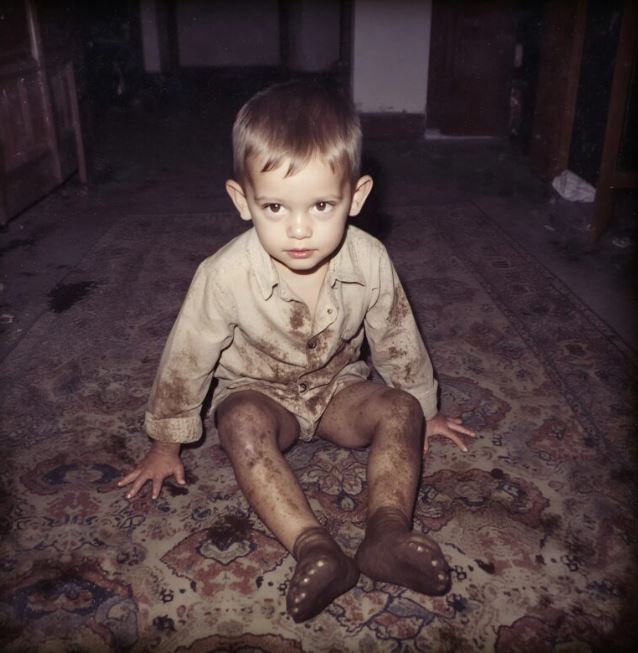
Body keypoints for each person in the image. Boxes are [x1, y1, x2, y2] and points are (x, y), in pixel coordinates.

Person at [118, 80, 475, 622]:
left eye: (323, 205)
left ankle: (387, 533)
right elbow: (187, 357)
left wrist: (424, 410)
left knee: (401, 409)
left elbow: (397, 335)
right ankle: (313, 547)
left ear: (357, 197)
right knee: (238, 422)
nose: (300, 229)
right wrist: (165, 443)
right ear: (243, 201)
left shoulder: (371, 260)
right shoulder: (222, 275)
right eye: (276, 207)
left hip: (339, 390)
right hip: (261, 395)